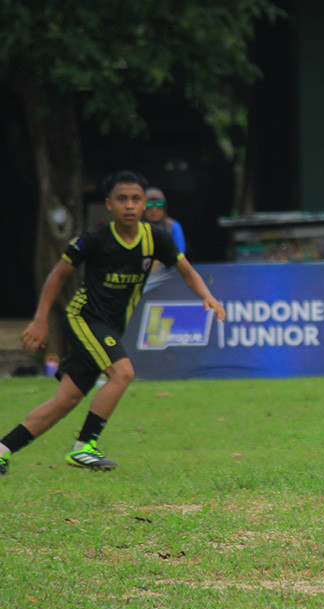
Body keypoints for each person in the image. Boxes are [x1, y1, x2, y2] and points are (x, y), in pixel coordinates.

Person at [0, 170, 226, 476]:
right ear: (109, 204)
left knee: (65, 400)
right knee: (123, 373)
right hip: (85, 318)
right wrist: (41, 320)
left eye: (136, 199)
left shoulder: (156, 238)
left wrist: (207, 296)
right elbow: (57, 276)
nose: (130, 205)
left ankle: (2, 449)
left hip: (110, 325)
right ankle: (84, 446)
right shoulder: (94, 239)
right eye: (122, 199)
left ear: (145, 203)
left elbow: (186, 270)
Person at [143, 187, 186, 256]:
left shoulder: (173, 226)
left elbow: (180, 255)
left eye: (159, 205)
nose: (154, 210)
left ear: (165, 207)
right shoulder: (136, 226)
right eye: (149, 205)